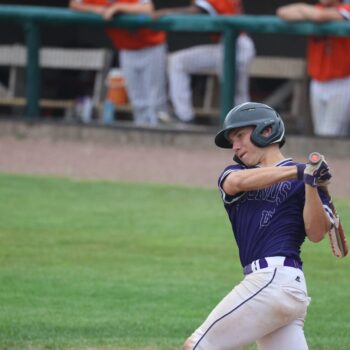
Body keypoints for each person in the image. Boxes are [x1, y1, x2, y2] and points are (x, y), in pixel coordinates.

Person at [183, 102, 334, 350]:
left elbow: (317, 233)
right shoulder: (235, 173)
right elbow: (237, 182)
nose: (235, 146)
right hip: (278, 288)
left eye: (240, 136)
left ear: (266, 131)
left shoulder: (307, 180)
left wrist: (310, 185)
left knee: (198, 345)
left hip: (275, 280)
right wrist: (298, 171)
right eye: (233, 140)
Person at [153, 0, 256, 123]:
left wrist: (166, 12)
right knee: (178, 62)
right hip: (223, 45)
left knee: (237, 94)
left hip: (238, 45)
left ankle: (247, 125)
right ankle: (184, 117)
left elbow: (197, 10)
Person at [69, 0, 168, 126]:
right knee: (137, 99)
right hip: (126, 49)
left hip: (151, 47)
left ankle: (161, 135)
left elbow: (147, 8)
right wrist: (96, 10)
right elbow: (74, 4)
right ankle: (143, 135)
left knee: (156, 100)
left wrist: (117, 7)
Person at [277, 0, 350, 137]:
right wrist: (307, 10)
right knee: (320, 133)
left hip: (342, 82)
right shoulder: (316, 8)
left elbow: (319, 17)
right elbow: (282, 12)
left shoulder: (346, 8)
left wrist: (302, 10)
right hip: (318, 81)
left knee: (331, 134)